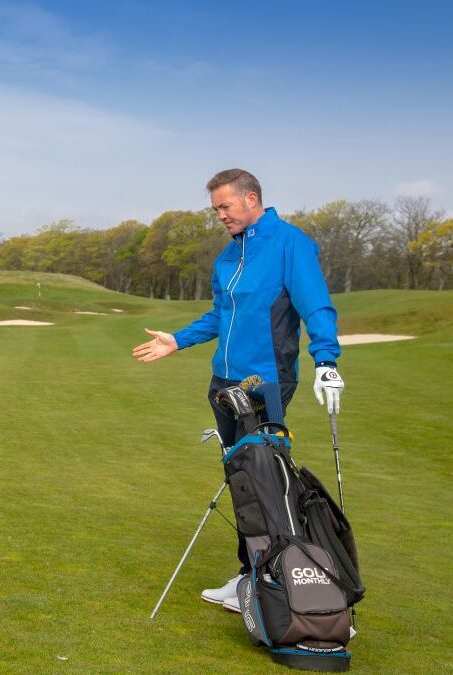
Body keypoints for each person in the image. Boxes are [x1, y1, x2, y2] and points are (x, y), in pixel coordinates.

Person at [131, 168, 345, 614]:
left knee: (268, 479)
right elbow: (219, 316)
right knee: (241, 479)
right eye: (215, 210)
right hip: (224, 382)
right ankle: (252, 573)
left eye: (225, 207)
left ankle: (291, 579)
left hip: (264, 381)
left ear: (252, 200)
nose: (220, 216)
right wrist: (177, 339)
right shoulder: (229, 256)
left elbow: (316, 305)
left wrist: (326, 361)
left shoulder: (290, 243)